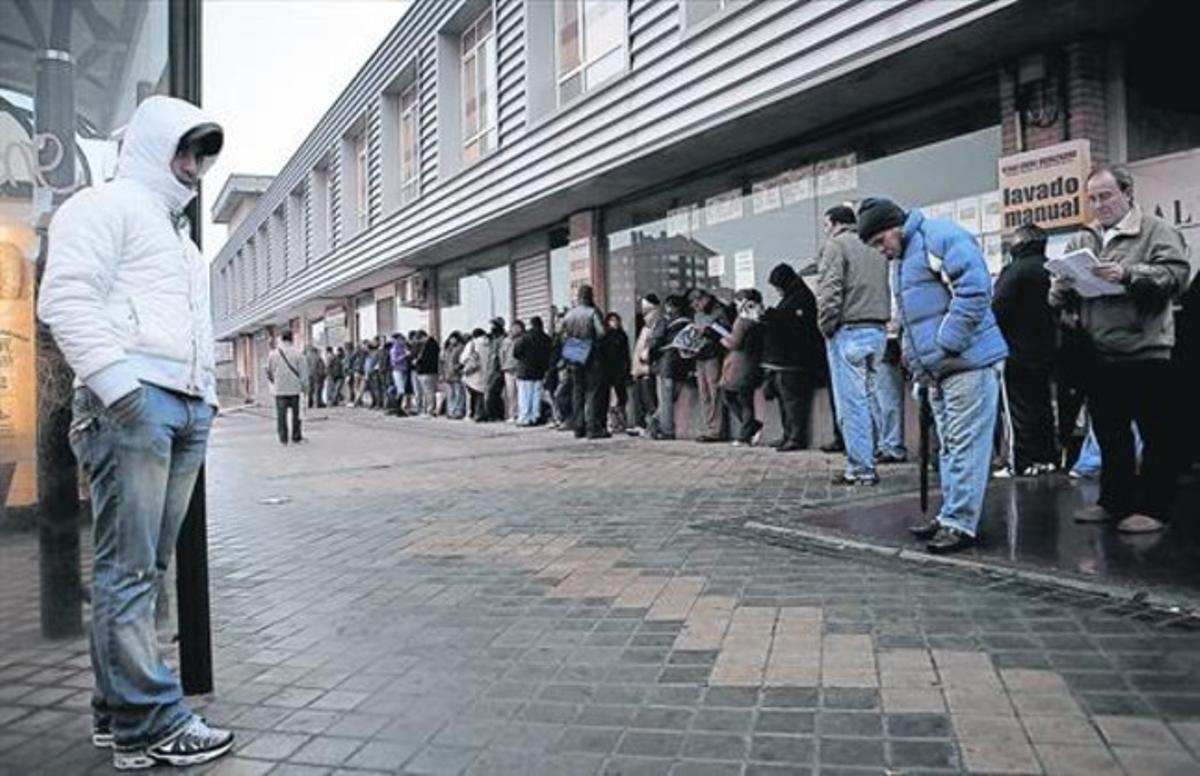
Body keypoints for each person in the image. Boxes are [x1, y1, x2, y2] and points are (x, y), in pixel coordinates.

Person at [37, 95, 234, 769]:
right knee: (129, 570)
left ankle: (116, 713)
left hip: (181, 406)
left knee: (143, 570)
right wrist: (123, 391)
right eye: (185, 148)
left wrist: (204, 396)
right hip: (136, 404)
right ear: (152, 144)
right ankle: (151, 722)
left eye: (203, 153)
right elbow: (64, 298)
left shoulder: (179, 239)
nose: (195, 165)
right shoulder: (104, 207)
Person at [859, 196, 1008, 554]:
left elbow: (975, 289)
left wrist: (947, 342)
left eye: (880, 242)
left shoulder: (938, 236)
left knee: (965, 445)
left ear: (894, 226)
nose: (881, 251)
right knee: (953, 446)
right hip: (940, 371)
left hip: (967, 362)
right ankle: (951, 515)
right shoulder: (904, 256)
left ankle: (960, 522)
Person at [1049, 165, 1189, 534]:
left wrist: (1127, 275)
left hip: (1147, 348)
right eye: (1093, 198)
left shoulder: (1155, 230)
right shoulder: (1084, 239)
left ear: (1128, 192)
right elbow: (1056, 294)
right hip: (1100, 351)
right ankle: (1114, 501)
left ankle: (1155, 507)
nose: (1099, 205)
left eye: (1106, 196)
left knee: (1157, 434)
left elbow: (1176, 276)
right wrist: (1062, 286)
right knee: (1112, 435)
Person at [816, 204, 892, 485]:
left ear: (835, 223)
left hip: (848, 331)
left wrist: (825, 326)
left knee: (852, 403)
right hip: (877, 329)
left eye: (825, 225)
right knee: (872, 398)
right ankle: (875, 453)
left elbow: (830, 290)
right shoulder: (876, 246)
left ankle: (861, 467)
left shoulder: (836, 246)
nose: (825, 231)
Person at [992, 223, 1058, 477]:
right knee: (1042, 406)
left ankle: (1020, 461)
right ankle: (1047, 458)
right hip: (1046, 349)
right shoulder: (1051, 269)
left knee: (1017, 410)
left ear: (1019, 244)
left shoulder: (1013, 271)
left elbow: (997, 308)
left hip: (1015, 350)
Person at [762, 263, 825, 451]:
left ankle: (796, 437)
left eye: (777, 286)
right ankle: (788, 434)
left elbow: (794, 325)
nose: (777, 290)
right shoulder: (791, 297)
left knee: (793, 402)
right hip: (784, 361)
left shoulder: (801, 298)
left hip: (795, 362)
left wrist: (772, 316)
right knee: (784, 401)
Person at [561, 285, 608, 438]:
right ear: (590, 296)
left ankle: (578, 427)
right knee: (592, 391)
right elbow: (601, 333)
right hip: (590, 353)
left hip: (574, 351)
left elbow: (562, 335)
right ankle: (592, 427)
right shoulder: (592, 312)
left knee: (577, 391)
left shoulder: (569, 314)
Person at [720, 289, 766, 446]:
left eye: (738, 301)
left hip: (739, 365)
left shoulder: (742, 321)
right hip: (750, 364)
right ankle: (751, 427)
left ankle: (746, 433)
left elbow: (735, 343)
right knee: (742, 397)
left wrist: (723, 339)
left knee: (738, 398)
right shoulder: (759, 320)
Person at [687, 288, 732, 442]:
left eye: (697, 302)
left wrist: (710, 332)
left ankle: (717, 430)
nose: (695, 306)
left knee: (714, 392)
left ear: (705, 298)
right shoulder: (697, 314)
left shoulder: (719, 310)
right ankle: (709, 427)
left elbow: (727, 333)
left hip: (713, 354)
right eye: (693, 304)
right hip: (699, 354)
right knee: (704, 392)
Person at [874, 263, 908, 464]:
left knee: (887, 397)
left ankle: (892, 445)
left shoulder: (894, 269)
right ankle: (886, 443)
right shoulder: (887, 268)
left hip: (889, 338)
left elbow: (896, 308)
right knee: (880, 397)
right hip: (884, 337)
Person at [646, 295, 692, 440]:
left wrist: (649, 358)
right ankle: (655, 420)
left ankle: (665, 429)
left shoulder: (665, 320)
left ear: (669, 306)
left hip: (666, 364)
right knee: (671, 398)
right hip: (683, 364)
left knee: (666, 399)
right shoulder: (689, 321)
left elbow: (656, 341)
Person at [267, 330, 307, 444]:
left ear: (281, 339)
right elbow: (303, 373)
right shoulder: (298, 354)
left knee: (281, 415)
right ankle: (296, 436)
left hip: (280, 390)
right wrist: (305, 386)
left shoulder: (273, 354)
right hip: (295, 389)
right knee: (296, 415)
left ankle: (283, 438)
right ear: (292, 339)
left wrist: (275, 382)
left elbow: (269, 372)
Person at [512, 316, 553, 426]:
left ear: (531, 324)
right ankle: (535, 417)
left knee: (525, 395)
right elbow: (550, 354)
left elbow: (516, 352)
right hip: (540, 371)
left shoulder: (525, 337)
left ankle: (525, 418)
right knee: (536, 395)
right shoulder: (546, 338)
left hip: (525, 371)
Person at [630, 294, 661, 434]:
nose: (645, 315)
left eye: (648, 311)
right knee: (639, 396)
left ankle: (653, 425)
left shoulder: (658, 327)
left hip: (649, 368)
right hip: (640, 369)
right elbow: (638, 351)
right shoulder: (645, 329)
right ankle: (640, 423)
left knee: (650, 398)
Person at [600, 312, 632, 433]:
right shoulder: (605, 336)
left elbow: (626, 354)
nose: (615, 322)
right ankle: (613, 422)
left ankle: (621, 422)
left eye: (616, 320)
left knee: (621, 397)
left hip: (620, 371)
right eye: (612, 320)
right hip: (608, 371)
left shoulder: (622, 336)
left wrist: (627, 369)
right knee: (611, 398)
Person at [460, 327, 491, 421]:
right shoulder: (489, 344)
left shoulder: (472, 343)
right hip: (486, 371)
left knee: (472, 394)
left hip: (473, 372)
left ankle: (471, 414)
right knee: (481, 394)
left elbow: (463, 358)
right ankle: (481, 414)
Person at [500, 320, 524, 422]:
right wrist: (503, 365)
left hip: (519, 369)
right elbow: (502, 354)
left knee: (520, 393)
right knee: (510, 394)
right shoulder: (506, 341)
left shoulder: (522, 339)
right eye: (513, 327)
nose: (514, 330)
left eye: (517, 327)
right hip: (508, 369)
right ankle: (512, 414)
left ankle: (520, 414)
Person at [412, 330, 440, 416]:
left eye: (420, 339)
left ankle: (430, 410)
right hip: (423, 371)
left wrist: (418, 361)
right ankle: (426, 409)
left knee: (429, 392)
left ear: (424, 337)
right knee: (426, 392)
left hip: (428, 371)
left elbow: (428, 359)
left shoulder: (431, 345)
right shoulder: (424, 345)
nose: (419, 342)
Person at [484, 318, 507, 422]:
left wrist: (500, 368)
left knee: (493, 392)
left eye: (494, 325)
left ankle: (495, 414)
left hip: (498, 370)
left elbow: (499, 356)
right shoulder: (492, 339)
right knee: (493, 393)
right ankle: (494, 414)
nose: (491, 328)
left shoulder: (502, 338)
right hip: (491, 370)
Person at [440, 332, 467, 419]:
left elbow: (463, 360)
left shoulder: (461, 348)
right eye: (451, 338)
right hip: (448, 374)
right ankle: (451, 411)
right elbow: (442, 362)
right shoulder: (447, 349)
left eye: (454, 338)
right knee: (450, 394)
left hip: (456, 374)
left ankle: (458, 411)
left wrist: (457, 367)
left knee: (458, 394)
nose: (452, 340)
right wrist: (442, 373)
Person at [389, 332, 409, 412]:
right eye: (400, 339)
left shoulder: (404, 348)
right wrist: (404, 356)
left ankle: (399, 407)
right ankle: (398, 407)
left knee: (402, 388)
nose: (402, 341)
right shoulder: (394, 349)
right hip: (397, 370)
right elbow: (394, 361)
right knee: (401, 389)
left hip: (404, 369)